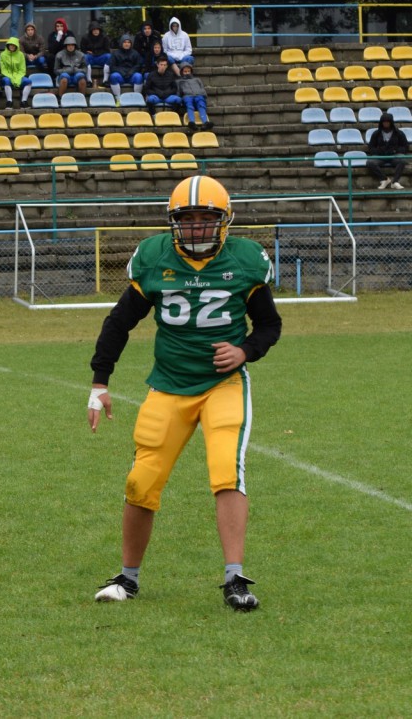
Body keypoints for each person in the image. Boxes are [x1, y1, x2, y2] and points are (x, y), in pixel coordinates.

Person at [88, 175, 282, 612]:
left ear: (223, 221)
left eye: (205, 218)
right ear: (173, 222)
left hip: (222, 386)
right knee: (141, 480)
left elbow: (270, 325)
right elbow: (119, 323)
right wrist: (100, 383)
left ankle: (235, 578)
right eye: (187, 219)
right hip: (168, 385)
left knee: (226, 472)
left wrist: (245, 350)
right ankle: (128, 578)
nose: (196, 227)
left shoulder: (245, 260)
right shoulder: (155, 259)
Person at [366, 112, 409, 190]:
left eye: (387, 122)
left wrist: (395, 150)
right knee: (370, 162)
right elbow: (371, 147)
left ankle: (395, 181)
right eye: (384, 122)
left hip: (394, 156)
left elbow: (405, 147)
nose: (386, 123)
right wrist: (378, 151)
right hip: (380, 156)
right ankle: (384, 179)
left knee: (402, 159)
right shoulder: (376, 134)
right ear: (381, 123)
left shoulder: (399, 133)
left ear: (391, 122)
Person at [108, 34, 144, 102]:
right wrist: (122, 72)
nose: (126, 44)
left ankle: (137, 98)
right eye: (125, 42)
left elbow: (138, 65)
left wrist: (131, 72)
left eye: (128, 42)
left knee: (139, 76)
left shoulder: (135, 53)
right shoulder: (115, 53)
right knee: (113, 76)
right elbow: (112, 66)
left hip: (131, 76)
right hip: (120, 76)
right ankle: (118, 99)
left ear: (131, 44)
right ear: (121, 43)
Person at [177, 62, 212, 130]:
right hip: (187, 96)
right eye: (185, 71)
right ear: (181, 72)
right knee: (189, 105)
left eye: (188, 71)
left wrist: (203, 95)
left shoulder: (197, 79)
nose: (187, 73)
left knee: (201, 104)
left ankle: (205, 122)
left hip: (198, 95)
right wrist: (180, 100)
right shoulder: (179, 81)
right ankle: (192, 122)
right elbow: (178, 92)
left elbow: (202, 88)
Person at [0, 36, 32, 109]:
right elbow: (3, 69)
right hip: (7, 76)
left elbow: (22, 69)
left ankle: (24, 101)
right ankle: (9, 102)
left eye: (14, 45)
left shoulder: (21, 55)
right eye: (10, 44)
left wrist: (17, 78)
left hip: (18, 76)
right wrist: (12, 78)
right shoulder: (2, 55)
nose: (12, 46)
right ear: (8, 45)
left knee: (28, 81)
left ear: (17, 46)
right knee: (6, 80)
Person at [79, 20, 111, 87]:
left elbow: (107, 50)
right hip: (90, 58)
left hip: (101, 57)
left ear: (100, 30)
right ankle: (89, 81)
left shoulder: (105, 37)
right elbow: (82, 50)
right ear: (91, 30)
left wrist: (97, 53)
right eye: (94, 30)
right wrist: (87, 52)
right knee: (84, 57)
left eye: (97, 29)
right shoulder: (85, 38)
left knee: (109, 56)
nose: (96, 31)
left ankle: (105, 80)